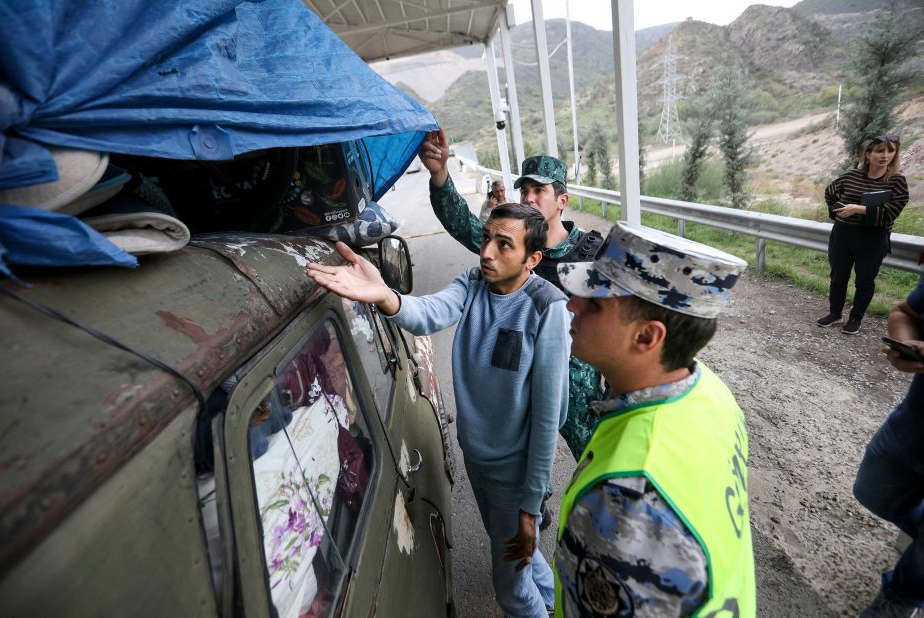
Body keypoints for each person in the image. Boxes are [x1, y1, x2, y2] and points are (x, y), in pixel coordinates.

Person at [306, 202, 569, 617]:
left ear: (532, 258)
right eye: (486, 239)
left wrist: (531, 504)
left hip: (514, 473)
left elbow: (548, 417)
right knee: (519, 548)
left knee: (511, 587)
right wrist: (386, 296)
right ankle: (552, 604)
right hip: (478, 459)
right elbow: (429, 314)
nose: (486, 252)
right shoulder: (473, 282)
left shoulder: (546, 308)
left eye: (504, 245)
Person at [552, 221, 756, 617]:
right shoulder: (708, 391)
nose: (572, 304)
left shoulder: (626, 503)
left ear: (647, 337)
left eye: (594, 302)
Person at [420, 128, 605, 461]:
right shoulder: (509, 245)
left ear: (562, 200)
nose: (530, 198)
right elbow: (461, 222)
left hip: (576, 378)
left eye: (540, 191)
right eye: (525, 191)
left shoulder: (591, 253)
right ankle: (532, 508)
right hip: (520, 372)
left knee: (594, 457)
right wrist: (440, 174)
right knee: (523, 459)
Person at [853, 279, 924, 617]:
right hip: (913, 425)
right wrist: (906, 343)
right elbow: (905, 311)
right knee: (870, 490)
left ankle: (903, 596)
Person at [818, 134, 909, 334]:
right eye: (879, 151)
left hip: (873, 238)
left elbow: (891, 212)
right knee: (838, 277)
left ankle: (855, 319)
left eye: (890, 151)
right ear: (868, 154)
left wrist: (858, 209)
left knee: (865, 281)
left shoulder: (897, 182)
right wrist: (839, 211)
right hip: (843, 234)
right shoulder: (851, 176)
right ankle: (835, 313)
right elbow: (830, 192)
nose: (885, 155)